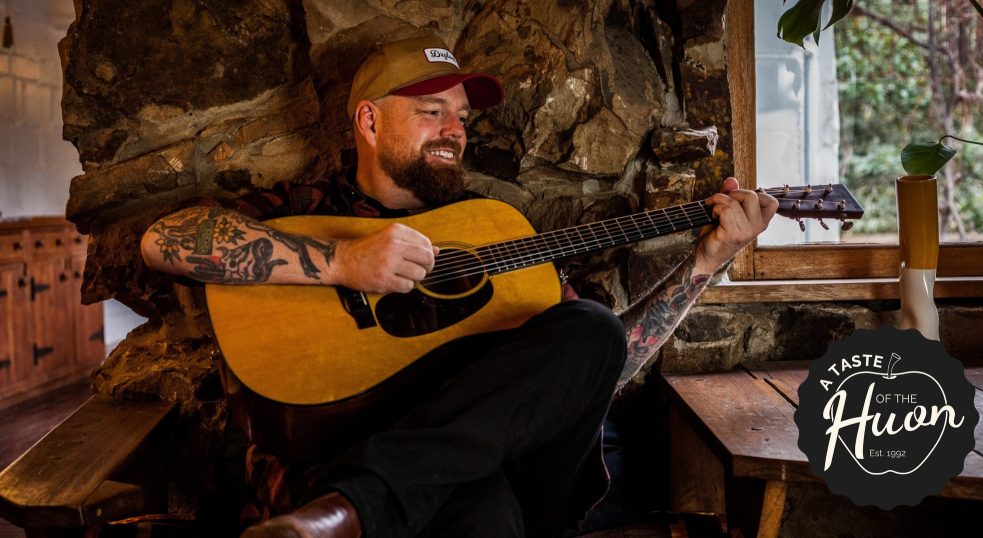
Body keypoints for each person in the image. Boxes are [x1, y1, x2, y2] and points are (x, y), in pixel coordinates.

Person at [140, 33, 778, 538]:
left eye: (462, 116)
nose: (455, 129)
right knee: (483, 511)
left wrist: (706, 262)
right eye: (431, 111)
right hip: (340, 452)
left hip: (487, 465)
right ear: (369, 121)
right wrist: (341, 263)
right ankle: (365, 496)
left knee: (592, 328)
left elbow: (594, 371)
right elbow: (163, 240)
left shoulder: (492, 229)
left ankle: (358, 505)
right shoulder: (302, 210)